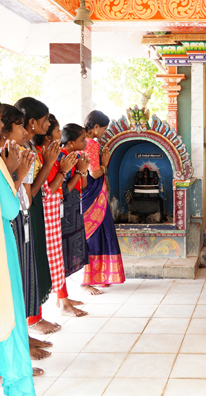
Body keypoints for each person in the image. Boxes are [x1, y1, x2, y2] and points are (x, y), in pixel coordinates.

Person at [0, 105, 55, 362]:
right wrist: (19, 173)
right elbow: (15, 202)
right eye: (18, 126)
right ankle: (13, 354)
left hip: (20, 222)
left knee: (21, 283)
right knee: (10, 290)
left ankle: (22, 339)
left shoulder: (20, 153)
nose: (24, 131)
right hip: (11, 224)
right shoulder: (3, 158)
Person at [0, 98, 37, 394]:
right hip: (1, 247)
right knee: (7, 316)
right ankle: (16, 381)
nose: (0, 125)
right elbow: (11, 209)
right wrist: (17, 175)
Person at [15, 98, 61, 336]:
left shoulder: (30, 148)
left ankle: (32, 323)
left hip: (34, 211)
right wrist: (51, 164)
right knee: (25, 269)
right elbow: (29, 193)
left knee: (34, 264)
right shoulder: (20, 150)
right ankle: (29, 325)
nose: (49, 124)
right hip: (24, 213)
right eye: (45, 120)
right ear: (32, 122)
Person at [33, 115, 84, 317]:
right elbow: (48, 191)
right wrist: (67, 171)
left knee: (56, 258)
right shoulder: (41, 156)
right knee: (46, 260)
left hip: (57, 211)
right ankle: (42, 313)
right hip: (47, 214)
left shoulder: (50, 155)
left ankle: (63, 299)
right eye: (56, 131)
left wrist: (76, 171)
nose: (59, 135)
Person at [81, 111, 125, 295]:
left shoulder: (80, 141)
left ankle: (94, 277)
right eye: (104, 129)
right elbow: (94, 173)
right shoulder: (91, 144)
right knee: (95, 234)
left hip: (85, 193)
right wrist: (105, 164)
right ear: (96, 127)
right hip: (93, 196)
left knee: (91, 235)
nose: (104, 133)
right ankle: (89, 280)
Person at [58, 124, 90, 316]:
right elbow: (63, 190)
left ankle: (64, 298)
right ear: (70, 143)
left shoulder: (76, 157)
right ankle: (62, 301)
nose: (85, 142)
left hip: (74, 209)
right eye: (82, 139)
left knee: (69, 253)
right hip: (63, 212)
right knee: (61, 255)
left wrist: (82, 169)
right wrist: (78, 171)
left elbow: (83, 185)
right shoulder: (61, 158)